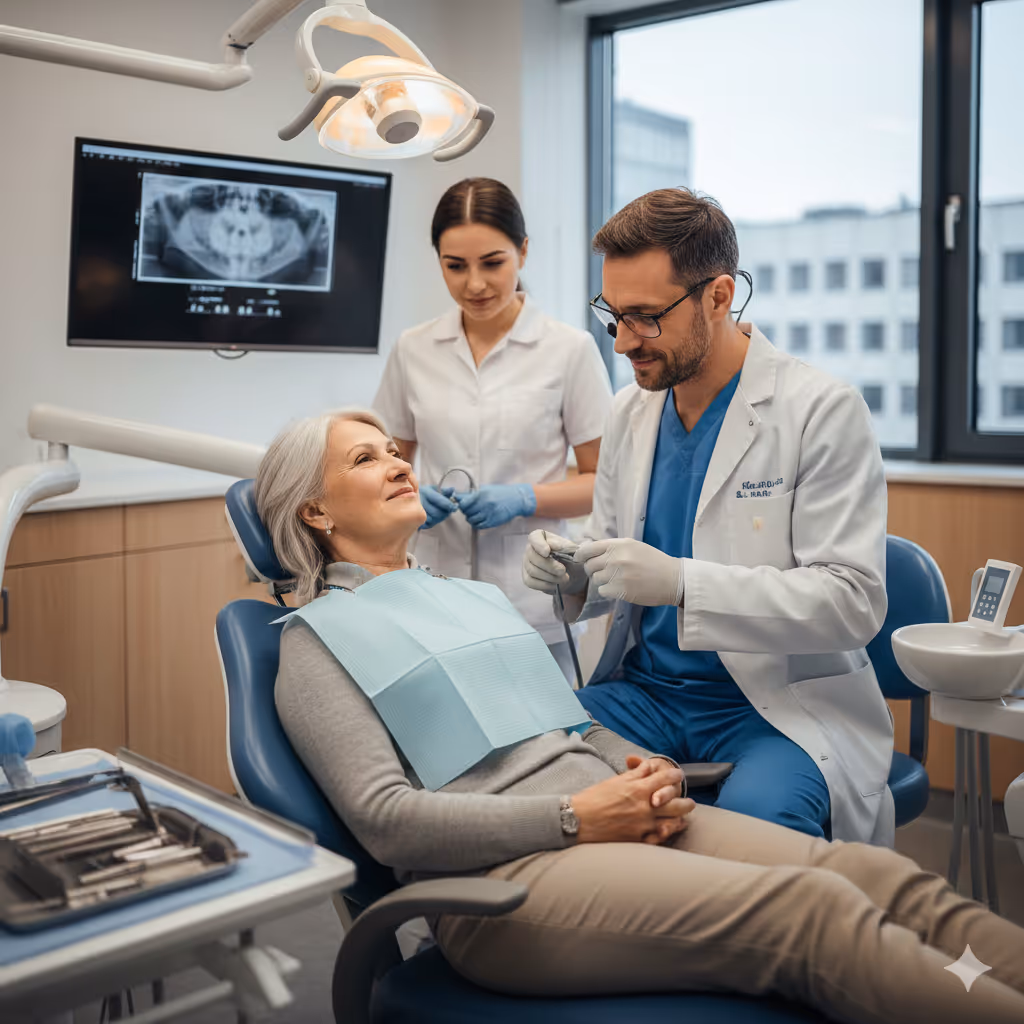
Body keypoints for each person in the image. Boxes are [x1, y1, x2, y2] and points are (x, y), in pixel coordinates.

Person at [256, 408, 1024, 1024]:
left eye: (393, 449)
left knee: (872, 873)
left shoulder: (468, 596)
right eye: (365, 458)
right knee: (813, 911)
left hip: (610, 816)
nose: (397, 461)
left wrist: (637, 764)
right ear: (314, 509)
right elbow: (387, 822)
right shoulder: (318, 641)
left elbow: (574, 728)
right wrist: (572, 817)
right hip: (502, 886)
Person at [523, 188, 892, 845]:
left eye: (646, 318)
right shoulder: (630, 411)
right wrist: (574, 575)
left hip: (771, 708)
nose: (623, 342)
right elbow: (614, 557)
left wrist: (684, 584)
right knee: (525, 774)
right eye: (613, 314)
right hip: (645, 695)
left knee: (752, 837)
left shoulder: (821, 411)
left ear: (719, 297)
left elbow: (852, 602)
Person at [373, 178, 612, 681]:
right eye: (454, 266)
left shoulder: (568, 351)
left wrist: (526, 497)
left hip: (530, 599)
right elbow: (382, 466)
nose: (474, 284)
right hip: (433, 591)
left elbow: (603, 485)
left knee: (549, 747)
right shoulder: (414, 349)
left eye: (492, 263)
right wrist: (413, 494)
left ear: (523, 252)